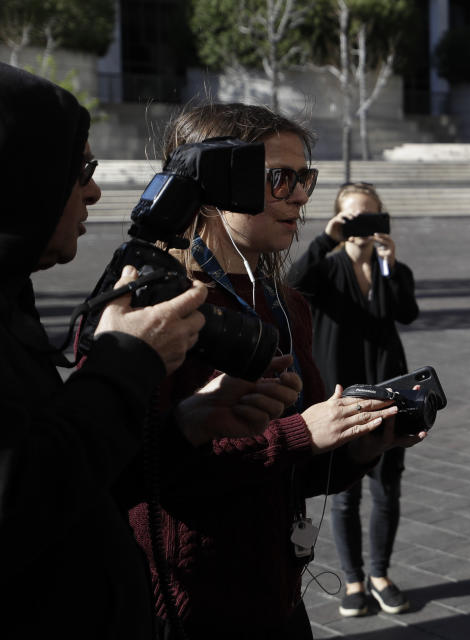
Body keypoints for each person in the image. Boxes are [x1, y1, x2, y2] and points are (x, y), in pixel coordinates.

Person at [0, 66, 301, 638]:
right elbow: (18, 504)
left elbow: (80, 473)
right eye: (80, 169)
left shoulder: (13, 302)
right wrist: (127, 361)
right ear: (21, 178)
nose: (94, 190)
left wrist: (185, 425)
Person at [127, 103, 425, 639]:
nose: (299, 196)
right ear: (212, 181)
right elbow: (135, 474)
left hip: (281, 602)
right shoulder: (145, 305)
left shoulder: (287, 305)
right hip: (185, 612)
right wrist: (297, 433)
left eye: (304, 178)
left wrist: (361, 444)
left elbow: (293, 472)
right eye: (278, 178)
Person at [288, 182, 419, 617]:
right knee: (344, 493)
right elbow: (293, 286)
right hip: (342, 392)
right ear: (339, 220)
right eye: (352, 217)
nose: (362, 226)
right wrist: (327, 239)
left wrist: (388, 265)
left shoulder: (391, 269)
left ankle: (380, 574)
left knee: (387, 491)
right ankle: (354, 579)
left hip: (389, 392)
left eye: (370, 216)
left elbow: (405, 312)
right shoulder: (327, 269)